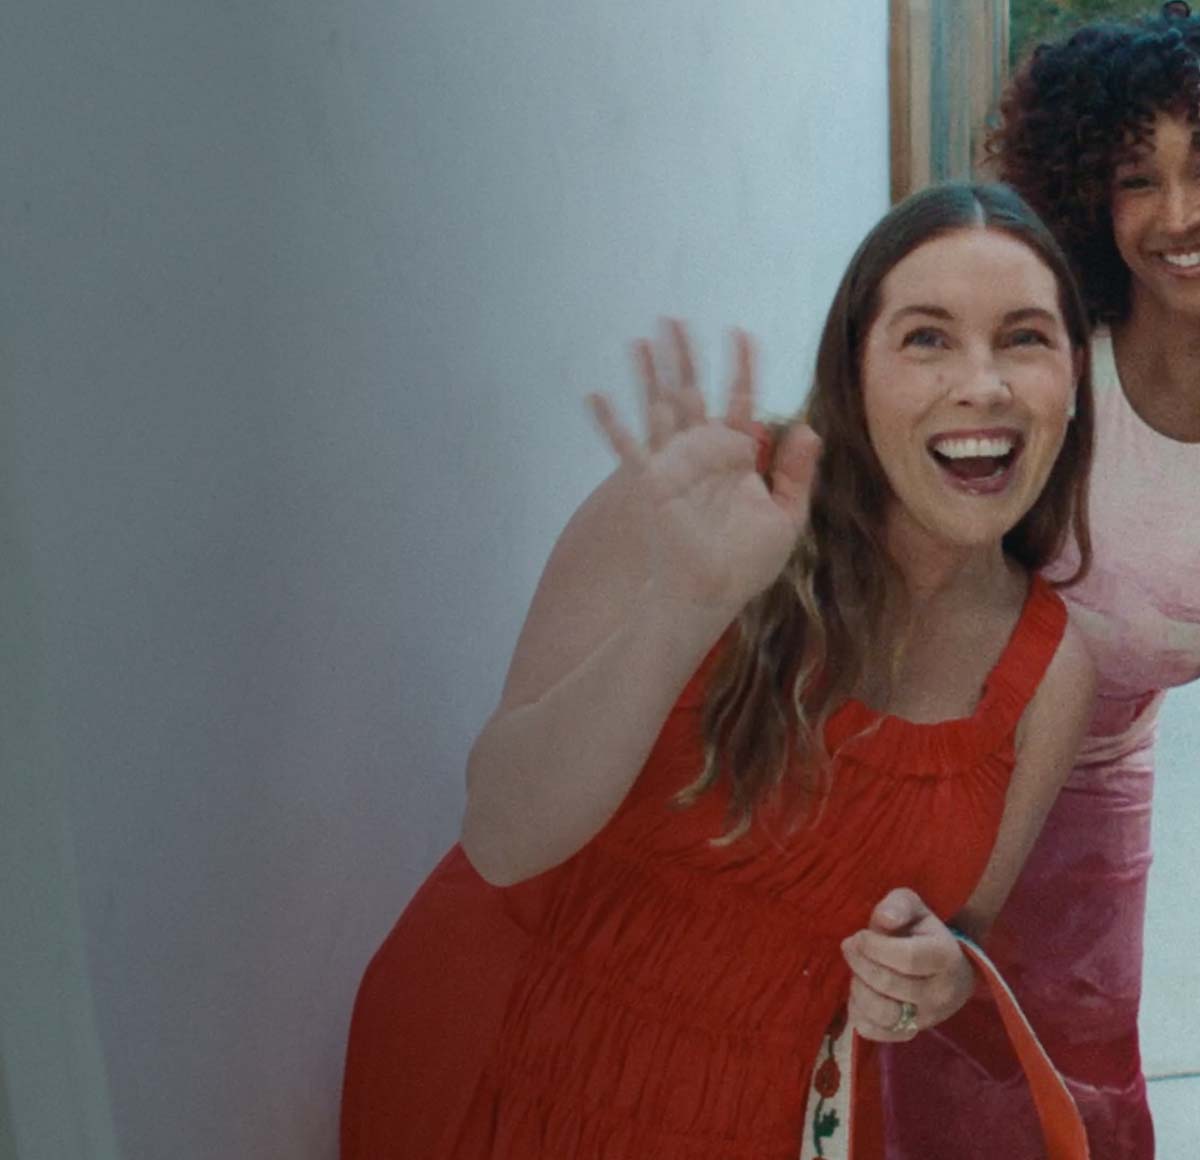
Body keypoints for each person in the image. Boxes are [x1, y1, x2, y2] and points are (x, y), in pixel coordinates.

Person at [341, 182, 1101, 1158]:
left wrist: (941, 978)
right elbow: (499, 837)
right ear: (852, 373)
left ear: (1074, 381)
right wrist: (685, 607)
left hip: (754, 1122)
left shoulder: (1053, 672)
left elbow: (957, 934)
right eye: (927, 338)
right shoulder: (701, 500)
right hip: (502, 1074)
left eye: (1024, 338)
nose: (982, 384)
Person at [890, 9, 1200, 1157]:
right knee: (900, 1071)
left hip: (1094, 783)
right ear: (1090, 196)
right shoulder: (1044, 359)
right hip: (929, 745)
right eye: (1136, 178)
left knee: (1069, 1080)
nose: (1179, 214)